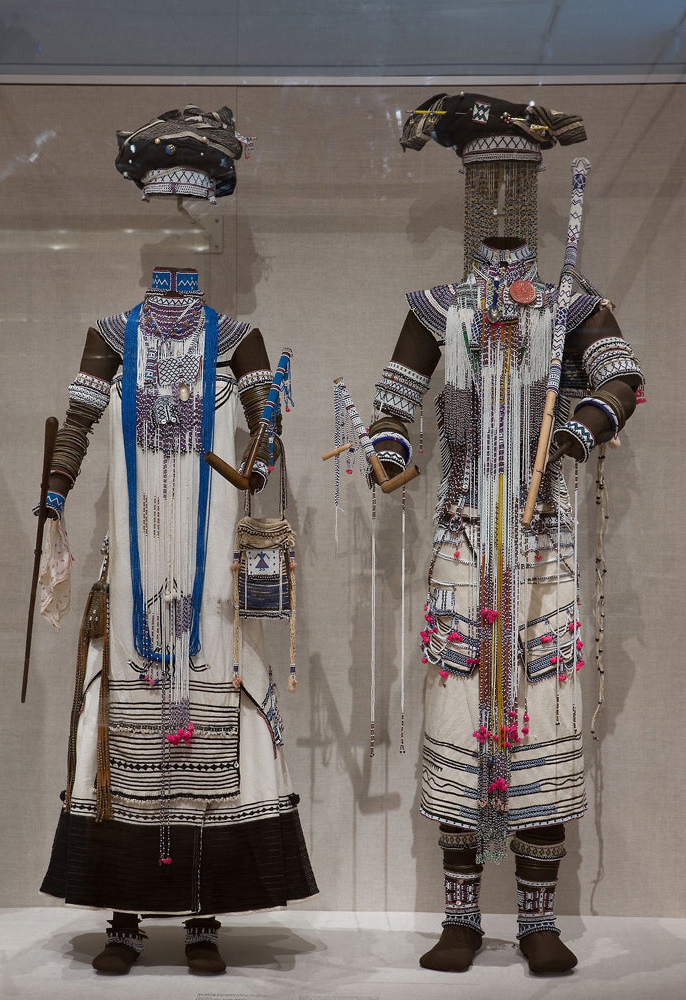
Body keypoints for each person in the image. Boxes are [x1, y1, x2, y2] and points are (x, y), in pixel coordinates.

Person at [368, 95, 643, 974]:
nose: (497, 198)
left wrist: (581, 427)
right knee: (460, 707)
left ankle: (537, 920)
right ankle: (459, 918)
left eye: (512, 181)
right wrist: (386, 445)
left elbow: (624, 377)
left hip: (543, 541)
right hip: (462, 536)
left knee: (544, 712)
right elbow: (394, 399)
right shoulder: (436, 306)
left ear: (531, 188)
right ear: (466, 190)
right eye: (483, 180)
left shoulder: (570, 304)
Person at [37, 262, 316, 975]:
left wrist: (262, 456)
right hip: (134, 569)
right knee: (123, 728)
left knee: (217, 723)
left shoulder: (239, 339)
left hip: (214, 572)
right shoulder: (111, 337)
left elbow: (267, 428)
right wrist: (56, 491)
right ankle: (124, 915)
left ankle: (203, 915)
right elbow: (77, 424)